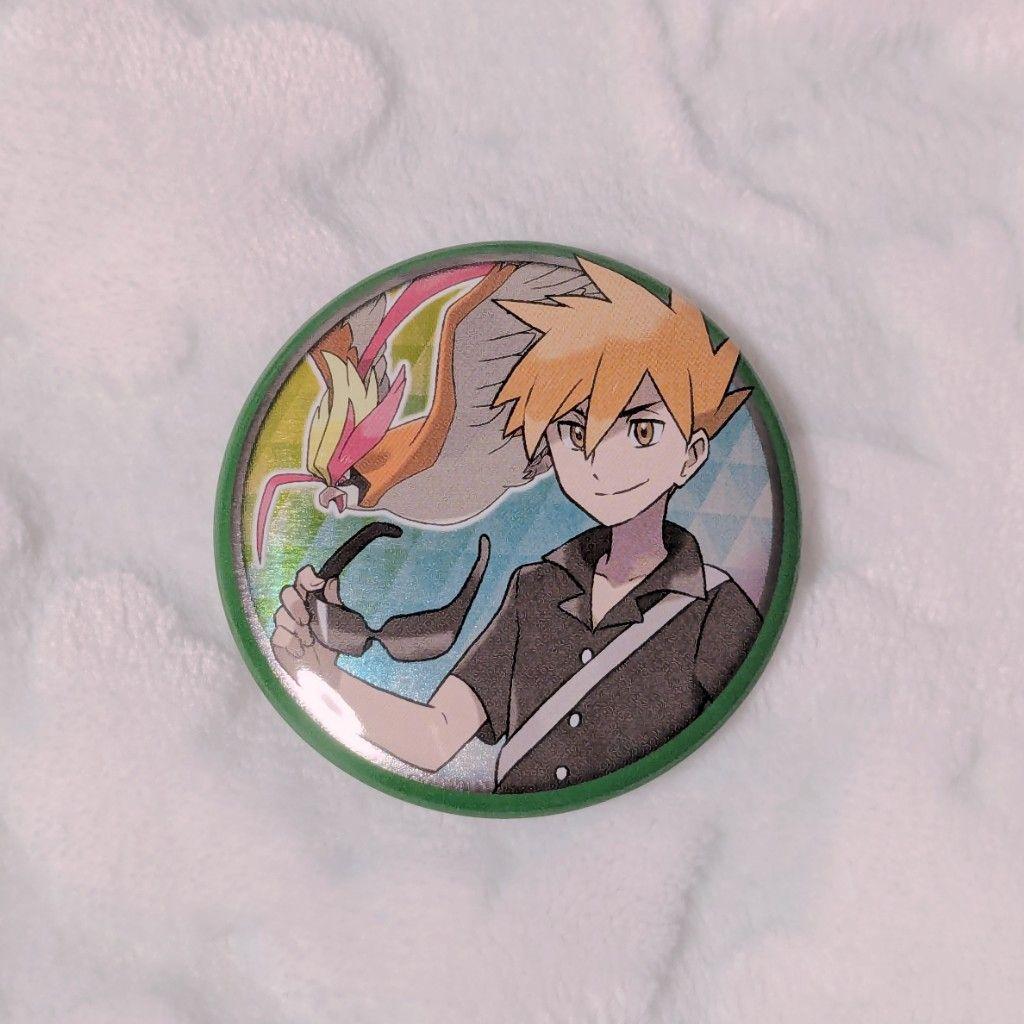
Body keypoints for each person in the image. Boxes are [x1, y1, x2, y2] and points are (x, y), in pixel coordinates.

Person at [271, 258, 763, 794]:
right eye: (574, 433)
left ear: (691, 456)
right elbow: (436, 739)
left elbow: (750, 758)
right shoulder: (537, 589)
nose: (602, 461)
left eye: (642, 430)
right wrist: (322, 675)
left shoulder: (715, 610)